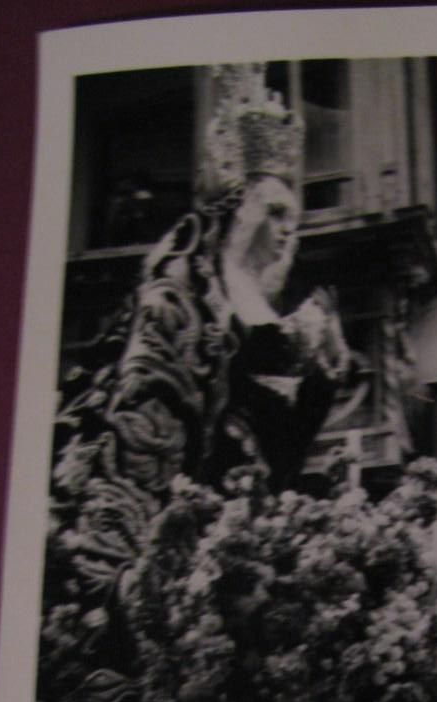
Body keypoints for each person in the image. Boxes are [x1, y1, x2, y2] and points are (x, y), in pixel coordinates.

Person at [54, 63, 351, 522]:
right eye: (273, 213)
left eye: (290, 219)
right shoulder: (189, 281)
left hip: (252, 491)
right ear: (245, 215)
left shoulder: (264, 299)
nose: (286, 230)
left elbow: (286, 435)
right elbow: (163, 378)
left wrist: (324, 372)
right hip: (201, 474)